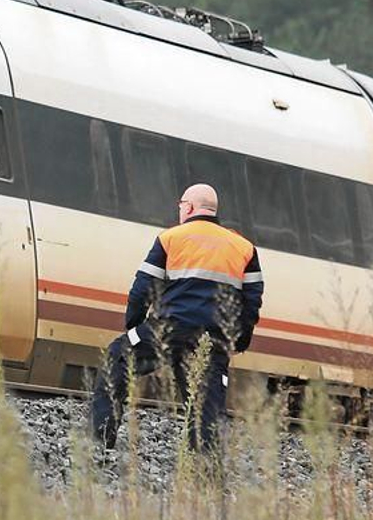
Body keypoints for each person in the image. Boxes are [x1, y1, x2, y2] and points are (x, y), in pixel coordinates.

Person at [90, 183, 264, 452]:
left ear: (190, 207)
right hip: (214, 339)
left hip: (166, 331)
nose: (180, 209)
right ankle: (205, 474)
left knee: (116, 360)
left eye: (181, 204)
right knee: (206, 410)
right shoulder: (244, 248)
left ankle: (99, 446)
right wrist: (238, 340)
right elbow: (251, 302)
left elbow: (142, 289)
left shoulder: (171, 238)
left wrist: (135, 327)